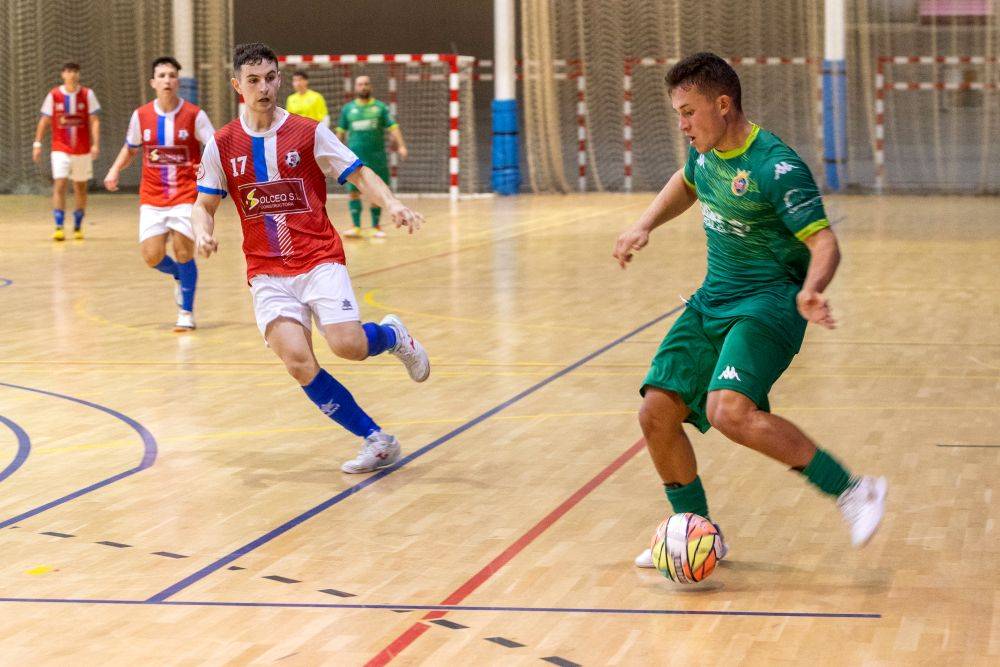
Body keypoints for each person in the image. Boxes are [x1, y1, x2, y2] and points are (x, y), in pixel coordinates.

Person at [611, 53, 887, 569]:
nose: (683, 125)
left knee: (728, 411)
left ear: (723, 104)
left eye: (689, 112)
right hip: (713, 299)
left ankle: (855, 491)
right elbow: (688, 181)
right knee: (656, 412)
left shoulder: (775, 167)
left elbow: (826, 243)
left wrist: (811, 289)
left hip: (770, 303)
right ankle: (697, 530)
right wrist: (645, 223)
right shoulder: (706, 152)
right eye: (677, 114)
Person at [192, 42, 429, 473]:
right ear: (236, 85)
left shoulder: (308, 131)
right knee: (299, 363)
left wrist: (391, 204)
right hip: (266, 271)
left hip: (318, 258)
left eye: (269, 78)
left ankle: (392, 336)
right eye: (253, 80)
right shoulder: (222, 144)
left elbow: (358, 172)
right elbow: (203, 204)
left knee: (348, 346)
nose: (263, 88)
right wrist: (201, 234)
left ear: (279, 79)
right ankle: (376, 439)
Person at [103, 56, 214, 332]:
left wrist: (207, 165)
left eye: (172, 75)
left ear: (178, 81)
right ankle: (178, 276)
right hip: (152, 198)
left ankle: (186, 313)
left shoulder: (194, 115)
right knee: (151, 256)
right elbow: (130, 148)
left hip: (186, 194)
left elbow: (215, 147)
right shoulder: (141, 116)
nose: (167, 80)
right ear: (153, 82)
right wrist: (115, 169)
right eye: (162, 75)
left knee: (183, 250)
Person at [33, 62, 101, 241]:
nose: (71, 75)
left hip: (82, 149)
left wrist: (95, 144)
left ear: (78, 75)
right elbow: (44, 120)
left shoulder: (87, 94)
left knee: (80, 187)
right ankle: (59, 225)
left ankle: (78, 225)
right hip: (60, 149)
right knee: (60, 184)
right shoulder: (54, 95)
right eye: (68, 71)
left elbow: (94, 120)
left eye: (75, 72)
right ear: (63, 74)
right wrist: (37, 144)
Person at [335, 75, 408, 239]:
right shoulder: (348, 109)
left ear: (371, 87)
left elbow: (393, 127)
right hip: (354, 158)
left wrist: (401, 145)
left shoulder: (380, 108)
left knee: (376, 191)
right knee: (353, 192)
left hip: (377, 157)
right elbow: (340, 132)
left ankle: (376, 226)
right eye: (360, 84)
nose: (363, 87)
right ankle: (356, 227)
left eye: (366, 84)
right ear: (355, 87)